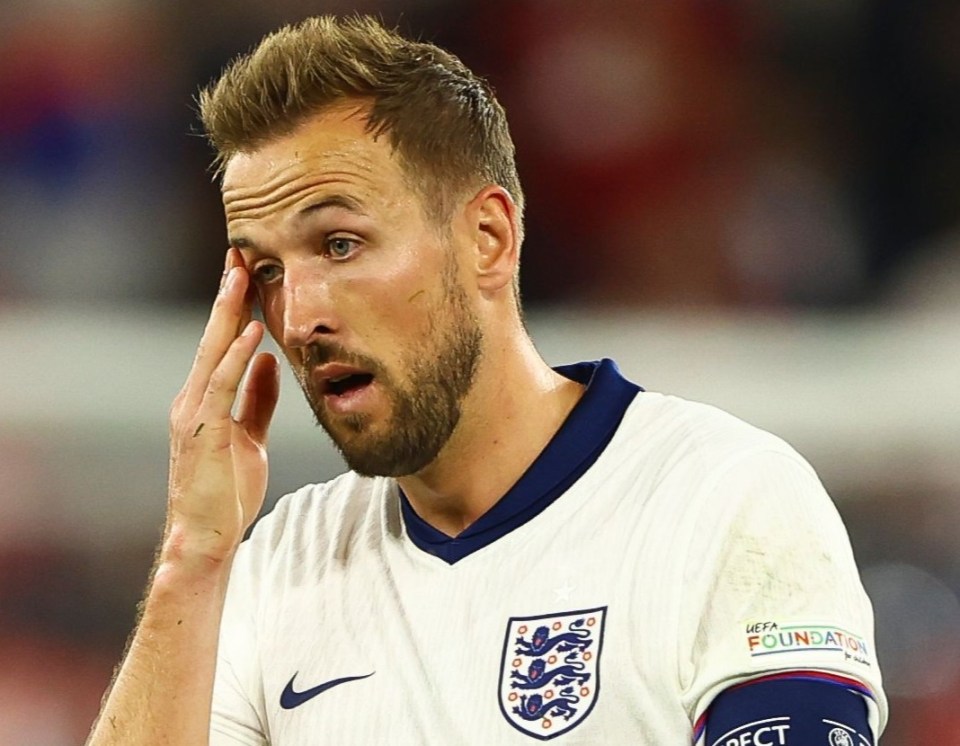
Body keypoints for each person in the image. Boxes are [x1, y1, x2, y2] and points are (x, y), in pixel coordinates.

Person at [87, 15, 886, 745]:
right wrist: (190, 560)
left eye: (338, 245)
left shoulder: (722, 499)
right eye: (265, 269)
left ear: (488, 238)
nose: (298, 319)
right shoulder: (276, 568)